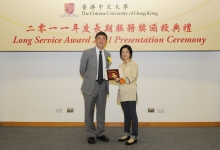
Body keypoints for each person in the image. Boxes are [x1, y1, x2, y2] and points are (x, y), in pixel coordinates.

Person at [79, 31, 111, 144]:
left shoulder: (108, 54)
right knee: (89, 111)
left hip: (103, 86)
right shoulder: (87, 52)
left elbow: (107, 71)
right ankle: (90, 134)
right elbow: (82, 70)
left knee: (101, 111)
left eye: (103, 38)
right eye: (99, 38)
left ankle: (100, 133)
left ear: (106, 41)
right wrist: (90, 79)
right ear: (95, 40)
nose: (101, 40)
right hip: (90, 86)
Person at [114, 45, 138, 145]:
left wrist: (121, 79)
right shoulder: (120, 65)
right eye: (123, 52)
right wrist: (116, 79)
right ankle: (126, 133)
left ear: (130, 53)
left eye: (126, 51)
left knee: (132, 114)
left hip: (131, 92)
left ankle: (134, 136)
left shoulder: (134, 63)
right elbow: (119, 78)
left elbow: (132, 76)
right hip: (122, 92)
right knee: (126, 115)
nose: (124, 53)